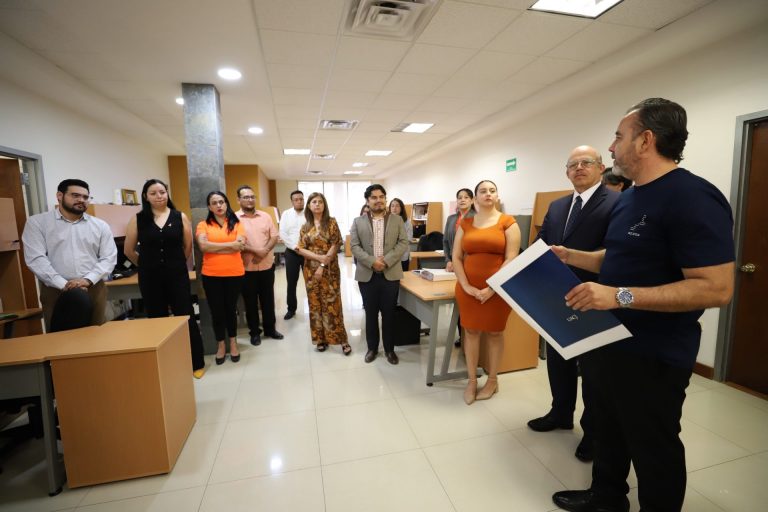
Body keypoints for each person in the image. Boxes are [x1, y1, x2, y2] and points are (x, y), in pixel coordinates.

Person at [551, 98, 735, 512]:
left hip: (655, 353)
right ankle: (607, 498)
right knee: (608, 428)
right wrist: (573, 256)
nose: (611, 147)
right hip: (609, 339)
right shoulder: (630, 197)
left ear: (645, 140)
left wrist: (618, 295)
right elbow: (620, 258)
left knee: (653, 446)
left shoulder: (693, 197)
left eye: (618, 137)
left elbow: (716, 288)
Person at [526, 146, 620, 462]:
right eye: (573, 164)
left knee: (593, 372)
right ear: (567, 172)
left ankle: (593, 433)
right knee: (558, 360)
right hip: (557, 297)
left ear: (601, 168)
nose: (579, 168)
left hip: (595, 298)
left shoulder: (617, 203)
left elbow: (616, 253)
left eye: (586, 162)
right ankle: (560, 413)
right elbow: (541, 246)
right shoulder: (557, 206)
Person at [124, 179, 206, 378]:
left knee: (185, 316)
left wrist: (173, 264)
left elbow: (187, 247)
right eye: (153, 193)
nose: (159, 196)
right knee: (157, 318)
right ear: (146, 197)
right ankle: (164, 364)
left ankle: (196, 362)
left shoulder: (179, 217)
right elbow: (129, 250)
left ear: (167, 194)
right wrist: (146, 264)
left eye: (162, 192)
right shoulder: (138, 219)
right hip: (150, 278)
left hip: (176, 275)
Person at [453, 180, 520, 405]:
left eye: (492, 190)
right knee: (470, 332)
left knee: (495, 333)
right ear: (475, 198)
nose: (488, 194)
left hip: (499, 289)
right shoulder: (466, 223)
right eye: (483, 191)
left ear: (497, 196)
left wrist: (492, 288)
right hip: (468, 288)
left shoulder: (508, 222)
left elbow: (512, 257)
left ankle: (492, 380)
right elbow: (456, 257)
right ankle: (472, 381)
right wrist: (465, 285)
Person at [22, 178, 117, 331]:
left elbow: (109, 258)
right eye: (75, 195)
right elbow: (36, 259)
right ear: (59, 196)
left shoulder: (100, 226)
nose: (82, 200)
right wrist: (64, 285)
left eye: (85, 197)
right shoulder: (37, 223)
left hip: (93, 287)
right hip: (55, 290)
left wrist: (87, 280)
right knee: (60, 339)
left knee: (97, 335)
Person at [350, 184, 408, 365]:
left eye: (381, 197)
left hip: (390, 273)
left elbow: (403, 242)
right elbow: (354, 246)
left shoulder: (397, 220)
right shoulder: (358, 221)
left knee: (389, 314)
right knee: (371, 313)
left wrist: (386, 260)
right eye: (374, 197)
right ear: (367, 200)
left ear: (385, 198)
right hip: (367, 275)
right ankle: (372, 348)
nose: (378, 200)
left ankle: (390, 349)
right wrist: (371, 261)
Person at [295, 192, 350, 355]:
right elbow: (300, 249)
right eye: (314, 202)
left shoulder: (331, 222)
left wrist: (322, 264)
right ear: (309, 206)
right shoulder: (305, 227)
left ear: (324, 205)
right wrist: (318, 257)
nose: (317, 204)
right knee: (315, 303)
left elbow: (336, 244)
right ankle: (320, 339)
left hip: (329, 269)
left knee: (333, 304)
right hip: (310, 271)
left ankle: (342, 339)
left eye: (320, 201)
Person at [196, 191, 246, 365]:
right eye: (214, 203)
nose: (219, 205)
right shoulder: (203, 225)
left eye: (222, 202)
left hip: (234, 273)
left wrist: (214, 247)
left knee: (230, 310)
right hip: (211, 275)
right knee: (216, 311)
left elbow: (240, 245)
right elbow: (203, 246)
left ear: (226, 204)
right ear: (209, 207)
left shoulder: (236, 223)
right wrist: (230, 245)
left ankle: (233, 343)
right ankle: (221, 345)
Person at [235, 185, 283, 346]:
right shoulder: (234, 218)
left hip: (266, 266)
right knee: (250, 302)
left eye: (252, 196)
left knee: (268, 300)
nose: (250, 200)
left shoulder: (265, 216)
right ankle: (255, 332)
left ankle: (270, 329)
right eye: (246, 197)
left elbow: (274, 236)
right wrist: (257, 251)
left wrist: (264, 251)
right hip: (246, 268)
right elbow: (236, 242)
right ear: (238, 200)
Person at [279, 190, 305, 320]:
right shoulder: (286, 214)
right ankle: (291, 309)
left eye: (301, 199)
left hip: (308, 253)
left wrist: (304, 249)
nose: (299, 201)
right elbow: (283, 233)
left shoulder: (309, 213)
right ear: (292, 201)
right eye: (296, 199)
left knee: (311, 282)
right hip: (291, 252)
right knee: (291, 283)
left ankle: (315, 308)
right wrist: (295, 247)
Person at [443, 188, 476, 273]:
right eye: (460, 198)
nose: (462, 200)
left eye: (466, 197)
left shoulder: (477, 218)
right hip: (452, 263)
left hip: (470, 262)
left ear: (472, 201)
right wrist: (448, 261)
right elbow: (445, 241)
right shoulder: (451, 218)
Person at [388, 198, 412, 271]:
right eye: (392, 206)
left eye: (397, 206)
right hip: (389, 256)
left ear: (401, 208)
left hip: (403, 256)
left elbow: (407, 240)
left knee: (402, 276)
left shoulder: (407, 222)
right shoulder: (387, 221)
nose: (394, 208)